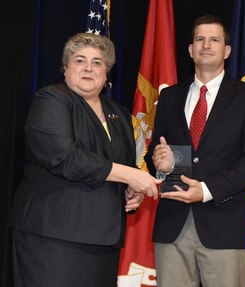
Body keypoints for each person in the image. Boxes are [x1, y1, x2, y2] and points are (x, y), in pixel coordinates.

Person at [9, 32, 160, 287]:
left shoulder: (119, 114)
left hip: (104, 242)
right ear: (66, 68)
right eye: (80, 60)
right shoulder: (52, 99)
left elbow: (123, 165)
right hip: (54, 237)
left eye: (97, 62)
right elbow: (63, 157)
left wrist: (130, 190)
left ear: (107, 73)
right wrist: (129, 176)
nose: (89, 67)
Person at [144, 15, 245, 287]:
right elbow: (157, 148)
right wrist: (159, 163)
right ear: (190, 50)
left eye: (214, 40)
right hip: (172, 226)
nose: (206, 45)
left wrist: (207, 189)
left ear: (227, 50)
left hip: (222, 225)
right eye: (199, 39)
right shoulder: (169, 97)